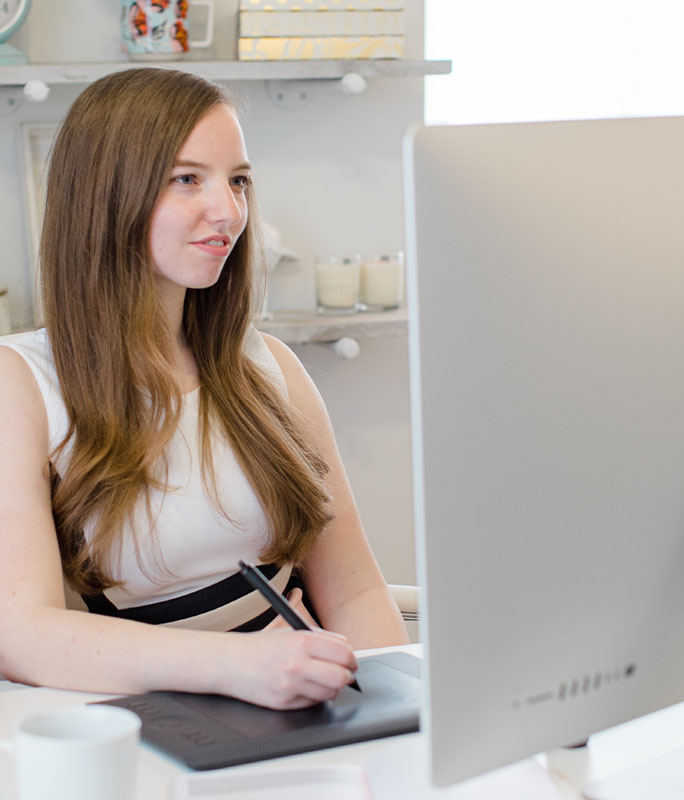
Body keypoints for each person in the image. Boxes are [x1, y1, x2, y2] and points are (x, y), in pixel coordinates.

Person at [0, 68, 408, 710]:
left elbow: (355, 592)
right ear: (106, 196)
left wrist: (396, 711)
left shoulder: (267, 366)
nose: (231, 211)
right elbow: (22, 635)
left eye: (238, 180)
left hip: (298, 710)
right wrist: (237, 665)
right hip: (145, 728)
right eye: (188, 178)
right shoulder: (22, 382)